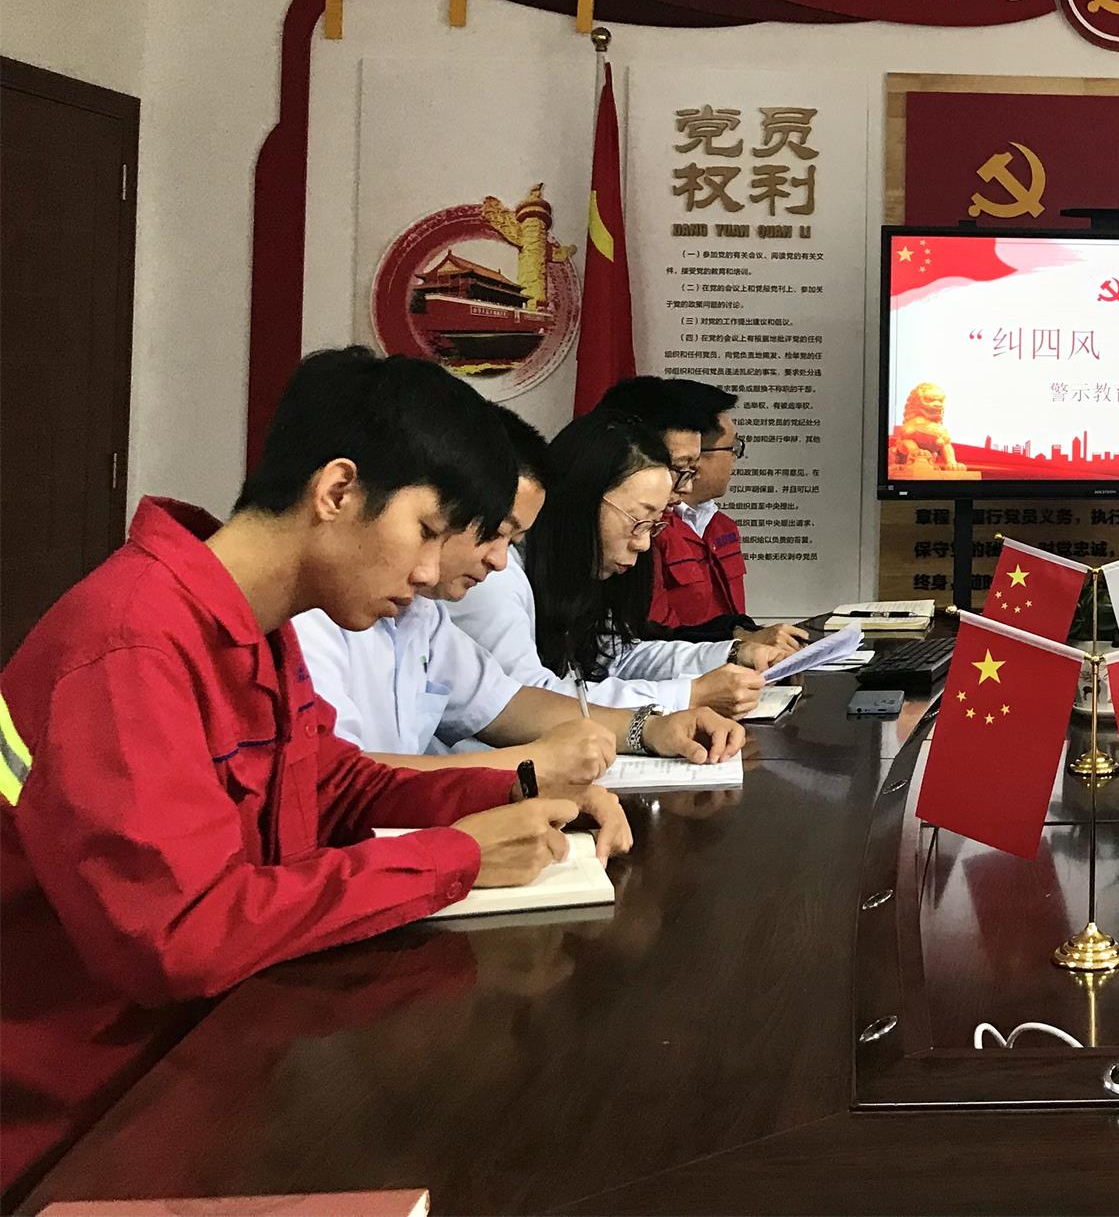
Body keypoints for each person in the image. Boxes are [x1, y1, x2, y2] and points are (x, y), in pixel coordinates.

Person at [0, 349, 630, 1204]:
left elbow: (333, 786)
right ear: (337, 490)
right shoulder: (130, 643)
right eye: (427, 530)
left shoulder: (255, 628)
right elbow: (182, 935)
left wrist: (517, 791)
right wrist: (454, 856)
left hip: (216, 1063)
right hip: (87, 1125)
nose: (430, 573)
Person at [294, 408, 745, 776]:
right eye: (429, 529)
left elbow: (504, 702)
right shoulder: (308, 620)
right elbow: (343, 782)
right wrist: (532, 766)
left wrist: (645, 728)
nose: (498, 560)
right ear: (339, 495)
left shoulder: (420, 614)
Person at [447, 410, 797, 717]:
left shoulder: (584, 572)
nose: (643, 543)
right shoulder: (495, 574)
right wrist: (688, 696)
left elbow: (617, 658)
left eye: (654, 525)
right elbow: (528, 703)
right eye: (638, 521)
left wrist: (732, 655)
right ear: (582, 503)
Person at [600, 376, 761, 639]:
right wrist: (735, 644)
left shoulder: (720, 525)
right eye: (681, 467)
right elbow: (647, 641)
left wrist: (742, 638)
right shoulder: (644, 534)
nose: (686, 484)